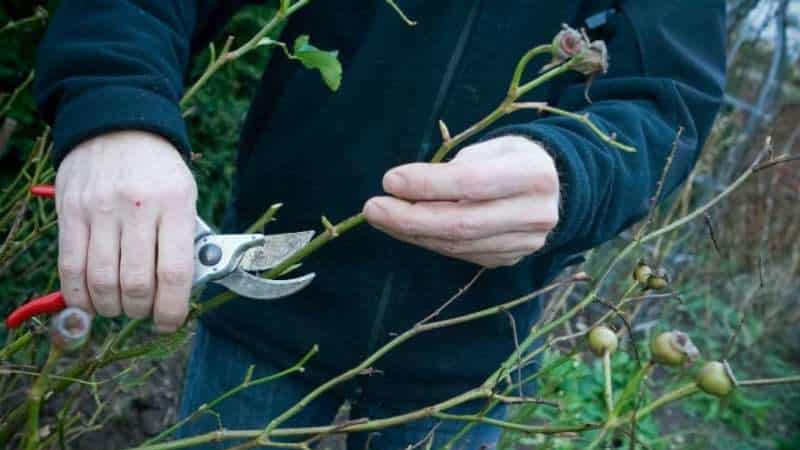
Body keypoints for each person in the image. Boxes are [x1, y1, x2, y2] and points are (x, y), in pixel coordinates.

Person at [34, 1, 726, 448]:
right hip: (263, 317)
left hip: (470, 355)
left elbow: (668, 104)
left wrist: (573, 172)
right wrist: (115, 103)